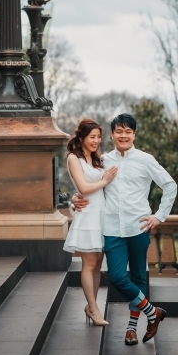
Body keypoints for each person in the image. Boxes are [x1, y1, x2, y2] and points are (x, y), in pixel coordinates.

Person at [74, 113, 177, 345]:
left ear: (134, 134)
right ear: (111, 135)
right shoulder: (103, 160)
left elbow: (170, 185)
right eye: (119, 131)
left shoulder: (145, 159)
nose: (123, 135)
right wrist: (74, 198)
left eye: (128, 131)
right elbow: (89, 185)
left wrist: (159, 216)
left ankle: (131, 329)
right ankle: (153, 313)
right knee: (118, 277)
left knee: (139, 277)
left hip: (139, 226)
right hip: (111, 229)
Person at [63, 119, 118, 326]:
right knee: (90, 263)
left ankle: (91, 306)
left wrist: (75, 199)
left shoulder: (97, 159)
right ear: (82, 137)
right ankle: (93, 309)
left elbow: (99, 190)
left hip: (101, 215)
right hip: (88, 216)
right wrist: (104, 181)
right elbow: (84, 188)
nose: (96, 141)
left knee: (98, 265)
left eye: (98, 137)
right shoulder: (73, 158)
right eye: (92, 137)